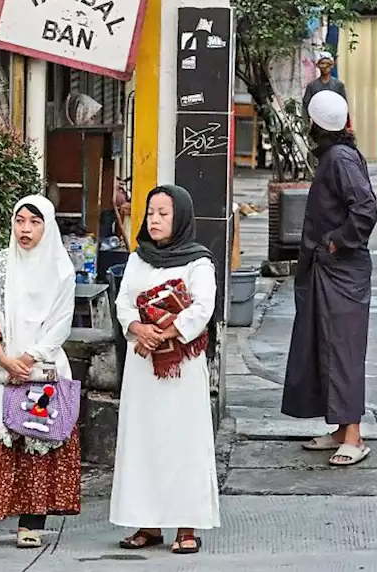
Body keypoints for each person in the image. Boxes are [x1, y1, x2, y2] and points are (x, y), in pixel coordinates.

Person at [0, 195, 80, 550]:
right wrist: (4, 357)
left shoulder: (61, 271)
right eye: (20, 220)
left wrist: (29, 358)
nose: (25, 229)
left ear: (47, 226)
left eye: (34, 222)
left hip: (43, 368)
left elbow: (59, 324)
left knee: (35, 439)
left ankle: (30, 525)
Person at [110, 185, 219, 555]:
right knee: (143, 441)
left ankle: (186, 527)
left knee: (182, 442)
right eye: (150, 213)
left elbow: (202, 309)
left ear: (181, 218)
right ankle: (147, 524)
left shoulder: (198, 262)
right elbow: (123, 302)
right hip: (142, 369)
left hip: (182, 372)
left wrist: (163, 333)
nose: (154, 220)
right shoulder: (138, 259)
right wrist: (138, 329)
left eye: (163, 214)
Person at [282, 90, 377, 466]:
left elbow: (365, 209)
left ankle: (354, 436)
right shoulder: (339, 155)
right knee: (323, 346)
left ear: (315, 124)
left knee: (342, 351)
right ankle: (339, 429)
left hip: (342, 272)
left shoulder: (338, 158)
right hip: (328, 270)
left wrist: (336, 242)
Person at [302, 50, 348, 116]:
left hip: (334, 120)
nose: (325, 66)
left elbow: (344, 106)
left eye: (328, 63)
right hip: (317, 120)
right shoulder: (312, 85)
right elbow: (305, 106)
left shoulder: (338, 85)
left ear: (332, 65)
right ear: (317, 65)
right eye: (322, 63)